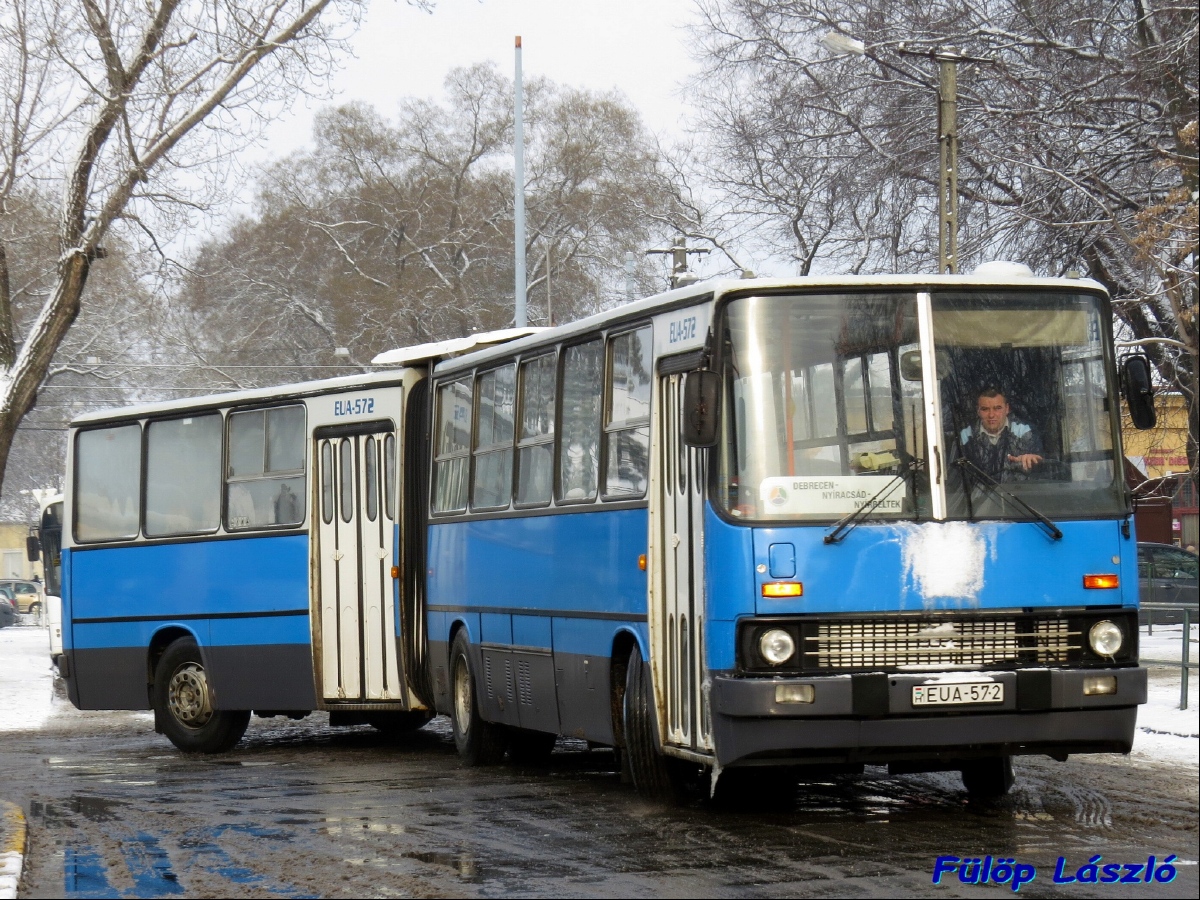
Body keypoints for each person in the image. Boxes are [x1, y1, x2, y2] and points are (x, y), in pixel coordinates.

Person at [958, 387, 1043, 480]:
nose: (991, 415)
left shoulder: (1024, 432)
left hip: (1017, 492)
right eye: (985, 409)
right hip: (977, 494)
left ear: (1007, 409)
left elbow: (1042, 472)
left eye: (997, 408)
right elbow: (956, 477)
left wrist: (1032, 460)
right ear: (978, 411)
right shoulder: (965, 436)